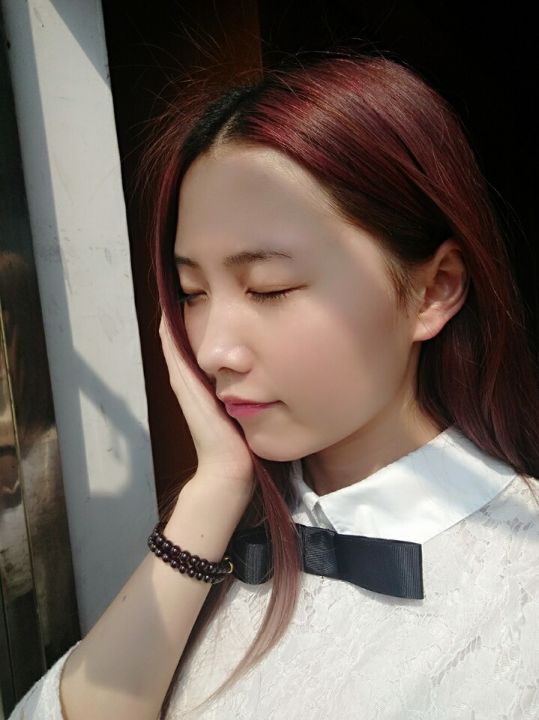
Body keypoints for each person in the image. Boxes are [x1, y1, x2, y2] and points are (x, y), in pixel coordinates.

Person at [9, 50, 539, 720]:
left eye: (269, 288)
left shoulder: (517, 596)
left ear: (433, 290)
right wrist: (215, 488)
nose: (211, 350)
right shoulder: (217, 535)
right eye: (191, 292)